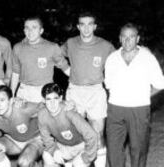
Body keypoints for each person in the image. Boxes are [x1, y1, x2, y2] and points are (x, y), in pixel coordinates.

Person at [105, 23, 164, 167]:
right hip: (115, 109)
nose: (127, 41)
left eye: (131, 37)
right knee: (113, 150)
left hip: (139, 109)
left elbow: (160, 84)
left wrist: (144, 96)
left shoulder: (147, 58)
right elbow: (109, 85)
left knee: (138, 149)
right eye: (124, 37)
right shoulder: (112, 58)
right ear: (119, 38)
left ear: (137, 39)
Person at [61, 12, 115, 166]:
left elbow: (117, 62)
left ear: (95, 26)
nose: (86, 28)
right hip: (75, 91)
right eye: (82, 24)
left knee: (97, 133)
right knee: (72, 132)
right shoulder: (70, 43)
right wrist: (66, 69)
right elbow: (54, 54)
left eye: (90, 24)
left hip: (95, 91)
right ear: (78, 26)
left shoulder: (105, 46)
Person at [0, 85, 45, 167]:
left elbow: (45, 108)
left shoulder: (22, 108)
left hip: (35, 139)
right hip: (15, 141)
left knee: (24, 162)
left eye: (2, 100)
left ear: (11, 101)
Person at [11, 16, 69, 103]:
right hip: (23, 91)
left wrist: (81, 81)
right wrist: (11, 94)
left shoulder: (52, 47)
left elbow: (66, 69)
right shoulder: (17, 48)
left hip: (45, 91)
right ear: (24, 30)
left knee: (44, 116)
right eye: (27, 28)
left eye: (34, 27)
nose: (30, 31)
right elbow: (15, 73)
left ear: (41, 30)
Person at [39, 83, 98, 167]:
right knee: (47, 155)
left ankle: (73, 163)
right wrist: (54, 150)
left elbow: (92, 135)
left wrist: (86, 157)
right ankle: (68, 164)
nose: (52, 103)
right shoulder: (42, 115)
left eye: (55, 98)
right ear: (43, 100)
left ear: (60, 99)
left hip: (81, 146)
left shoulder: (69, 112)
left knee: (78, 164)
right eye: (48, 99)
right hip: (64, 146)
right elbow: (46, 139)